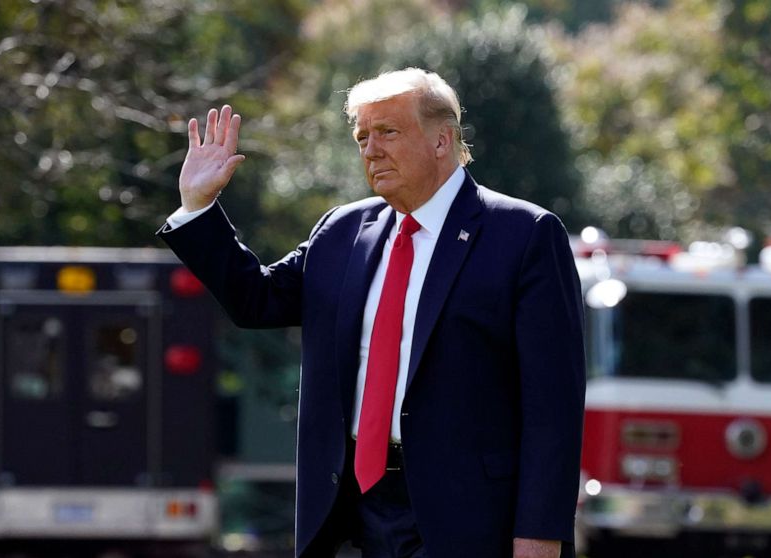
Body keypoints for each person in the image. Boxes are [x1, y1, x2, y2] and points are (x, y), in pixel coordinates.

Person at [156, 68, 585, 558]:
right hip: (350, 514)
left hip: (469, 518)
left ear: (442, 140)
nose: (371, 149)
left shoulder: (524, 234)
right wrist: (198, 207)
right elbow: (258, 299)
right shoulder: (343, 230)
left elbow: (554, 406)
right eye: (362, 137)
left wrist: (540, 533)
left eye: (388, 132)